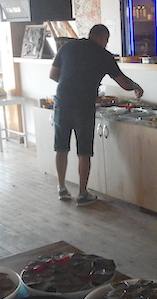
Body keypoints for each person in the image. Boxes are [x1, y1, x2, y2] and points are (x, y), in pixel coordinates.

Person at [49, 24, 144, 206]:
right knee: (84, 152)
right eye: (106, 40)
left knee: (61, 147)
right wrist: (136, 86)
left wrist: (72, 83)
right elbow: (124, 83)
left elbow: (53, 75)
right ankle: (82, 194)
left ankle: (61, 188)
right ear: (103, 38)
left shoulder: (68, 46)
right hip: (84, 107)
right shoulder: (104, 55)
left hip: (62, 103)